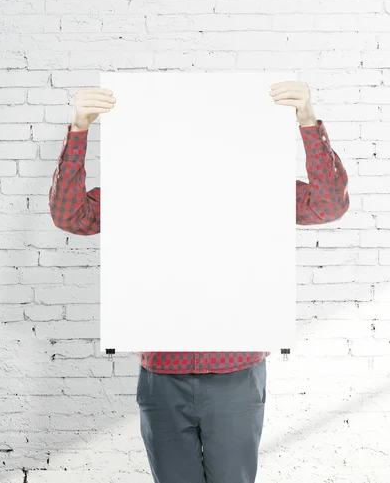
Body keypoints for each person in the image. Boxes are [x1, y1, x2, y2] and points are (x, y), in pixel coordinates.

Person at [49, 81, 350, 483]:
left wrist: (307, 121)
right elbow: (72, 216)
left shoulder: (256, 187)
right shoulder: (141, 191)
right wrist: (80, 129)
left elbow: (328, 206)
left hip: (236, 372)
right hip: (163, 374)